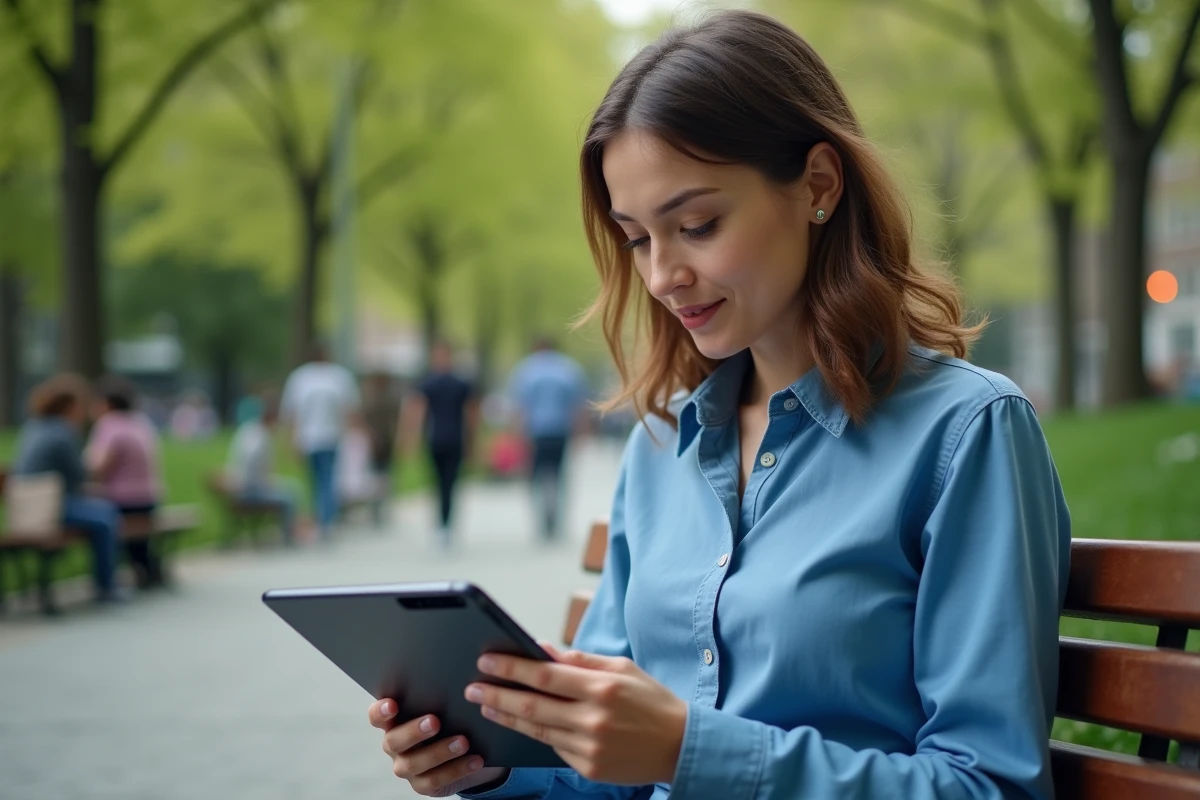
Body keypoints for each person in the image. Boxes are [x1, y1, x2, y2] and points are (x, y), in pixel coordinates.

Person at [369, 10, 1071, 800]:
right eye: (636, 238)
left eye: (696, 225)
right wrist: (491, 763)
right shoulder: (662, 442)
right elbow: (606, 771)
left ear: (818, 186)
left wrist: (688, 752)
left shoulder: (964, 435)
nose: (662, 274)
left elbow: (991, 786)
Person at [12, 374, 124, 603]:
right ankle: (106, 586)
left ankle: (107, 584)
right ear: (69, 407)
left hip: (25, 508)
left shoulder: (33, 428)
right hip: (51, 507)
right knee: (105, 517)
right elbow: (79, 476)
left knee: (101, 512)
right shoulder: (62, 433)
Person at [85, 375, 166, 588]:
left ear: (107, 403)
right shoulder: (141, 423)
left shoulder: (109, 424)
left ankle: (105, 580)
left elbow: (98, 467)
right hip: (149, 499)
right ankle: (145, 566)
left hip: (123, 501)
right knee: (135, 533)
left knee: (96, 512)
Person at [506, 337, 590, 541]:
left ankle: (542, 517)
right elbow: (578, 406)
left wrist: (517, 433)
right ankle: (555, 517)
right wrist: (581, 433)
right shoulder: (568, 369)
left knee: (535, 477)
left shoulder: (526, 369)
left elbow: (520, 407)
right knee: (559, 476)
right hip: (560, 431)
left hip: (535, 433)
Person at [279, 341, 360, 541]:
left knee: (324, 481)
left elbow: (292, 413)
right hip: (318, 437)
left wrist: (290, 440)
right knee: (322, 481)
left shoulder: (302, 378)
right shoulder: (336, 377)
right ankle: (325, 519)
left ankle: (324, 519)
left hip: (324, 437)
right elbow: (349, 410)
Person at [403, 341, 480, 549]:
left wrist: (472, 440)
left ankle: (444, 525)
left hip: (450, 439)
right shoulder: (445, 383)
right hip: (441, 440)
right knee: (443, 484)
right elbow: (419, 412)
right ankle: (444, 525)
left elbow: (471, 413)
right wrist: (413, 439)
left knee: (447, 484)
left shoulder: (446, 383)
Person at [225, 395, 298, 546]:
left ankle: (288, 534)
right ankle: (287, 537)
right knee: (291, 495)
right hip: (249, 490)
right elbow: (252, 468)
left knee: (291, 487)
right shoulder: (260, 438)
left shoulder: (248, 430)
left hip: (244, 486)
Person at [360, 371, 403, 527]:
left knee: (384, 475)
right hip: (373, 441)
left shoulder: (390, 400)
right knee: (374, 475)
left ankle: (382, 505)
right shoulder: (370, 400)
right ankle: (375, 506)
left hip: (386, 441)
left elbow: (397, 421)